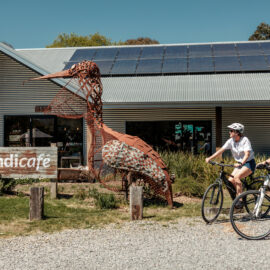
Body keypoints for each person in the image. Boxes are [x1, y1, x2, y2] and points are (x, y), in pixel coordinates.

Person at [205, 123, 255, 208]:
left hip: (248, 163)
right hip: (239, 164)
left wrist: (241, 163)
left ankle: (240, 200)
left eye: (231, 131)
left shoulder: (245, 140)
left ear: (237, 132)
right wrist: (210, 158)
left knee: (237, 177)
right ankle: (240, 194)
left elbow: (247, 154)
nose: (229, 132)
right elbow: (220, 150)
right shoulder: (230, 141)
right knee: (230, 180)